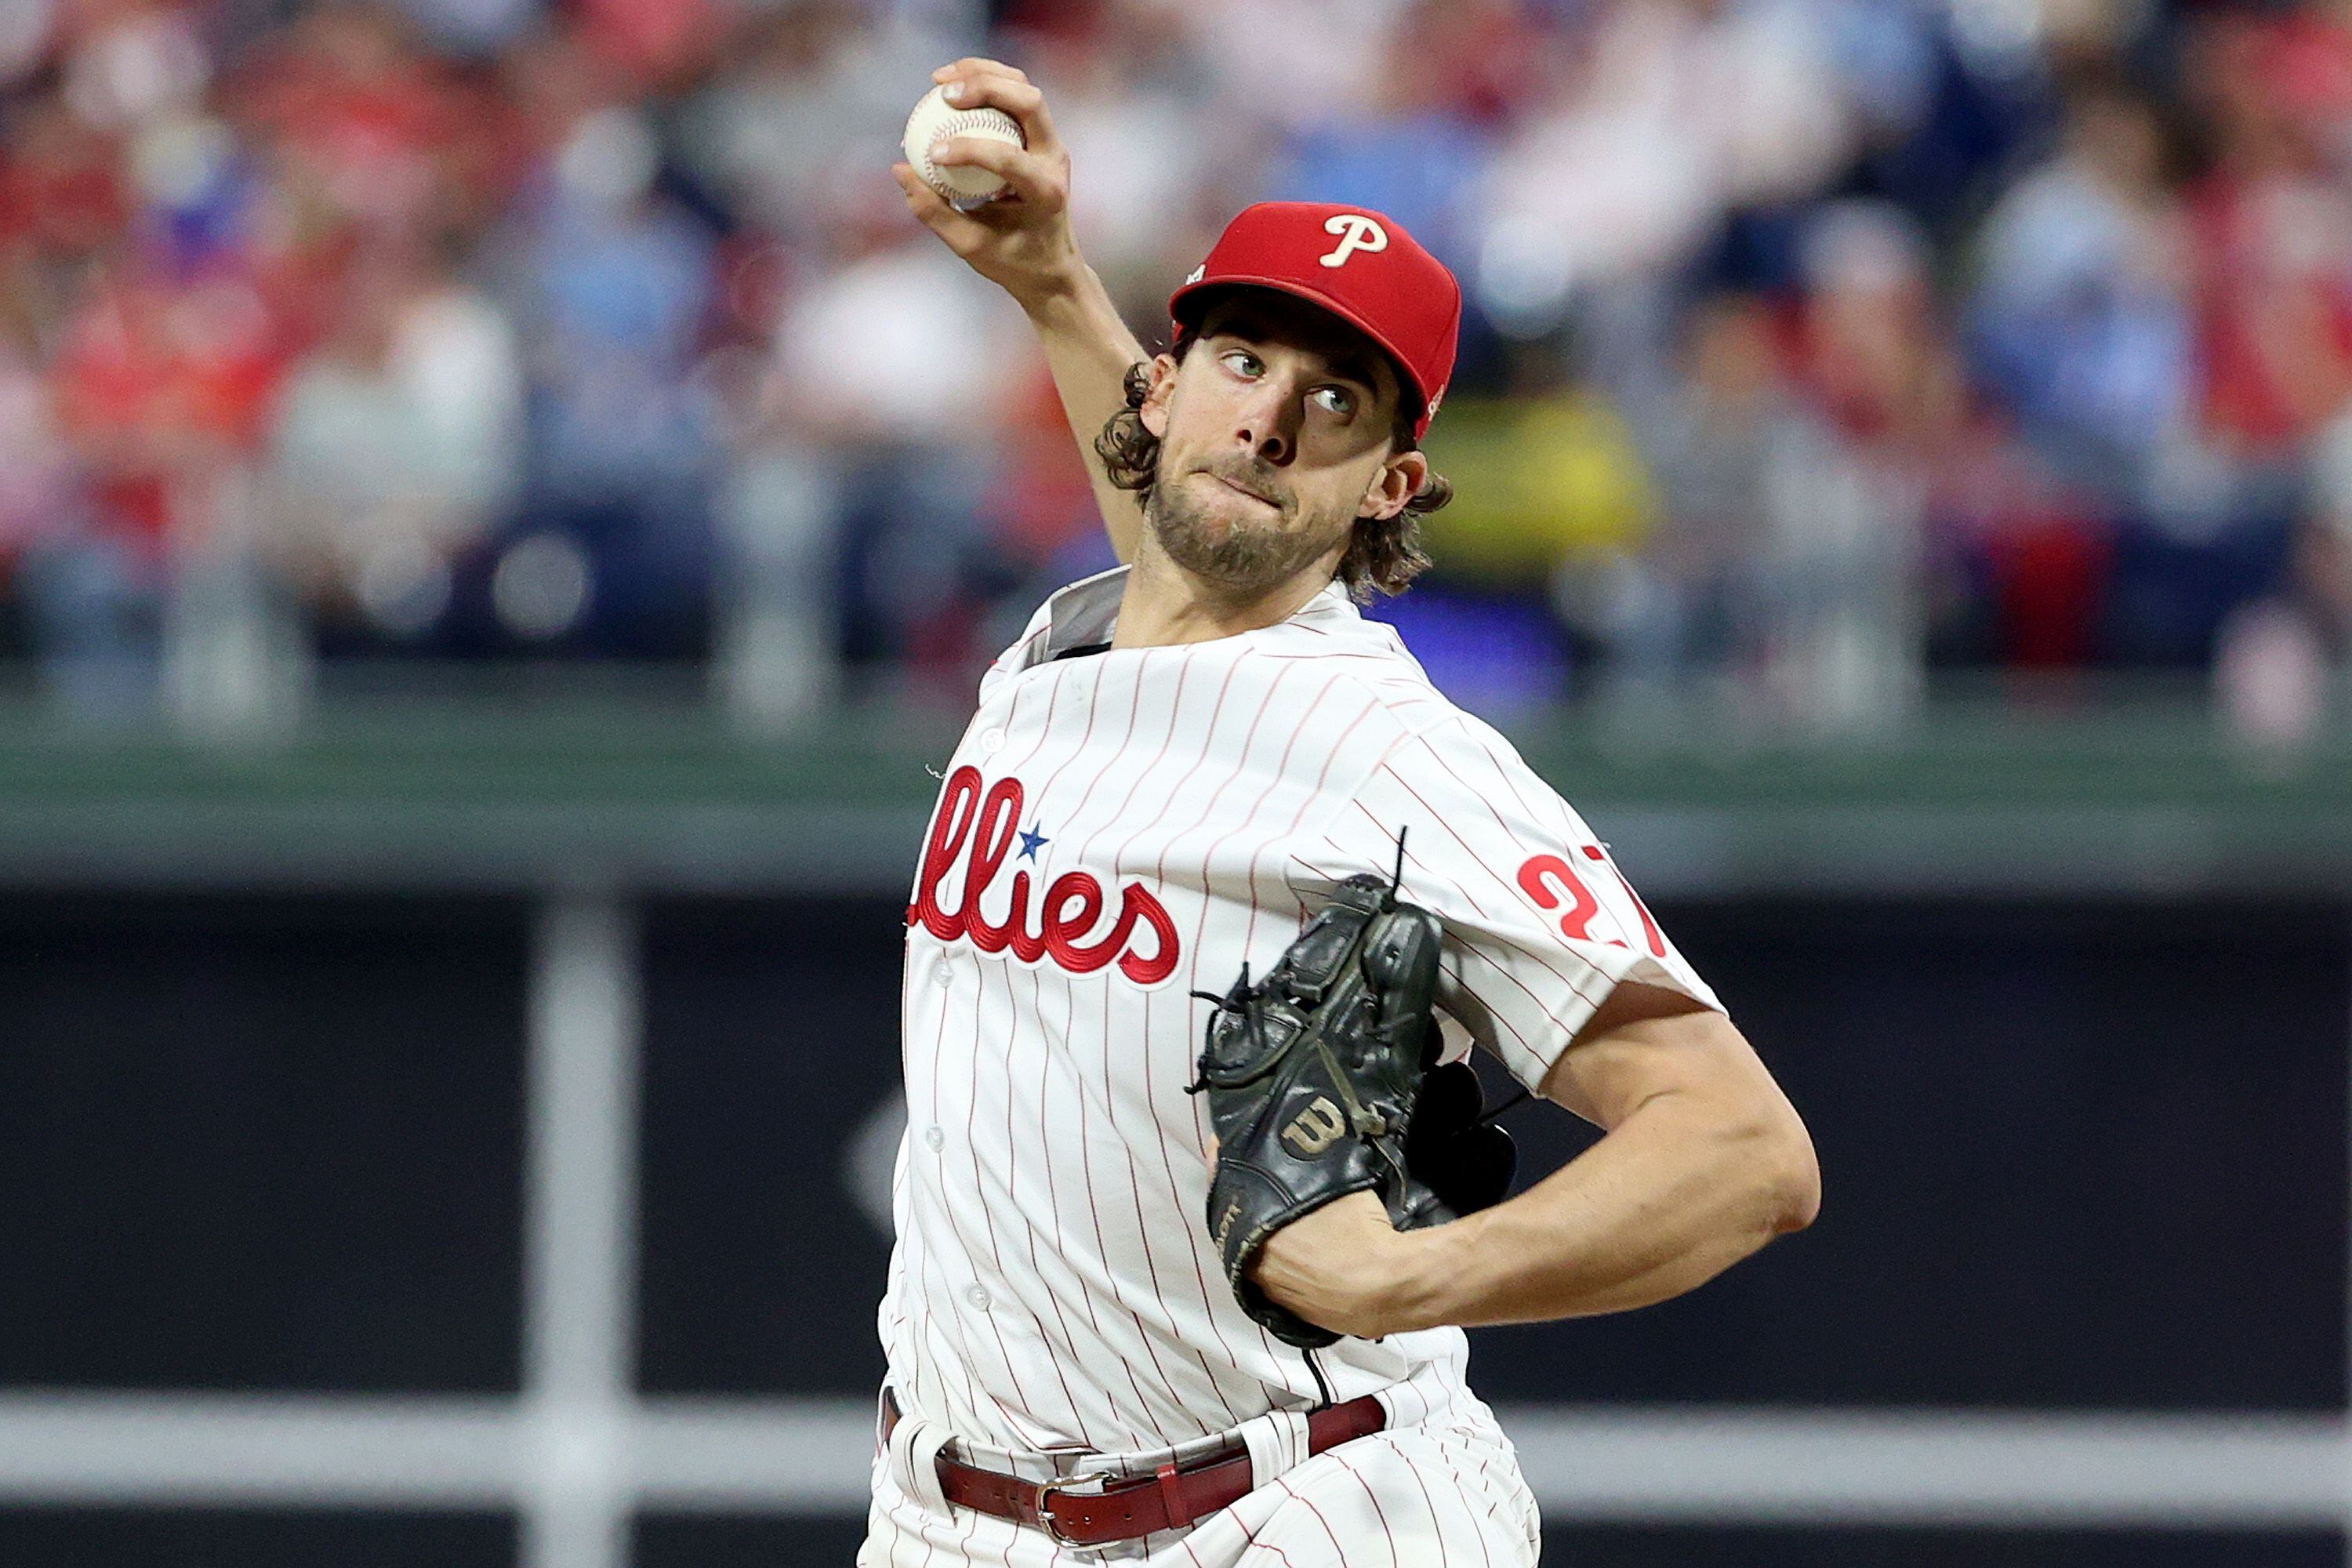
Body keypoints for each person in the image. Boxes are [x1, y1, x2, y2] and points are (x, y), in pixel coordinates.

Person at [865, 57, 1820, 1566]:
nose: (1270, 422)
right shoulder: (1075, 638)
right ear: (1160, 387)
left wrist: (1404, 1283)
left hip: (1287, 1511)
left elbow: (1745, 1150)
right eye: (1242, 360)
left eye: (1337, 403)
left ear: (1393, 483)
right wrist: (1053, 284)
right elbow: (1196, 557)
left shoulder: (1393, 760)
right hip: (950, 1516)